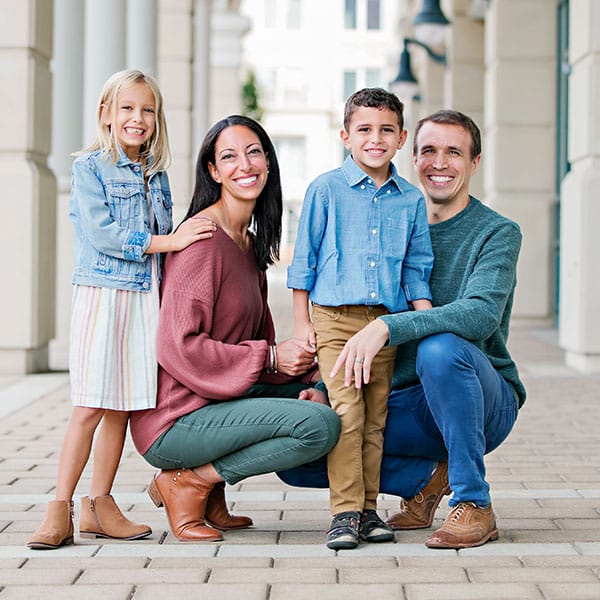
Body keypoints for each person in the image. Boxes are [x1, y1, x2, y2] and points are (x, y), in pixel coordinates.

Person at [278, 109, 526, 550]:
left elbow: (481, 315)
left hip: (480, 397)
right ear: (412, 156)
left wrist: (389, 328)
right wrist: (325, 383)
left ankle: (473, 503)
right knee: (306, 441)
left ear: (475, 162)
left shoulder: (497, 233)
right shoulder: (392, 221)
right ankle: (427, 479)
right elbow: (347, 317)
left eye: (454, 152)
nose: (440, 162)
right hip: (405, 396)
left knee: (439, 349)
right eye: (429, 151)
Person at [129, 115, 341, 543]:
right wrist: (271, 357)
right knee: (317, 426)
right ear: (213, 170)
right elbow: (177, 346)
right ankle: (188, 482)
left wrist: (312, 377)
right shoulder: (202, 242)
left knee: (337, 396)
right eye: (228, 156)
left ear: (268, 162)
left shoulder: (246, 242)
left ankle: (208, 493)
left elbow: (259, 345)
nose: (243, 165)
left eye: (253, 152)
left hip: (220, 401)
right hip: (176, 419)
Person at [27, 70, 215, 550]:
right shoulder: (90, 167)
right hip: (102, 293)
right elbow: (105, 235)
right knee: (90, 405)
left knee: (123, 408)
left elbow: (171, 238)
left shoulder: (157, 173)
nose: (138, 118)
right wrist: (168, 241)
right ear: (106, 114)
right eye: (127, 108)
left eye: (147, 110)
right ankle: (60, 508)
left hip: (143, 297)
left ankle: (100, 504)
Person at [287, 88, 433, 550]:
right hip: (334, 319)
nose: (375, 139)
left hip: (384, 326)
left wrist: (425, 326)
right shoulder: (325, 189)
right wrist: (302, 323)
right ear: (345, 135)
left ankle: (369, 511)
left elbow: (417, 269)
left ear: (401, 137)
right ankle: (344, 513)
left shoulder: (409, 200)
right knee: (347, 412)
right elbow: (303, 262)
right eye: (365, 130)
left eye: (386, 130)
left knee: (375, 419)